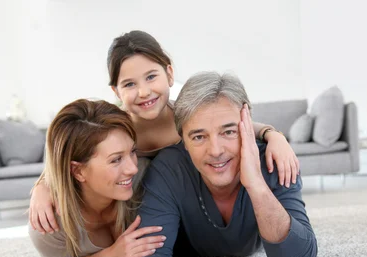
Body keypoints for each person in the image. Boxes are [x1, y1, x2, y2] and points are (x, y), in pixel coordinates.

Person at [29, 30, 300, 234]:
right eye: (129, 84)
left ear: (169, 74)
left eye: (151, 77)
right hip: (144, 209)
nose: (144, 92)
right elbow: (71, 151)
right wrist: (40, 187)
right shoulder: (116, 129)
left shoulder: (186, 114)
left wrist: (273, 135)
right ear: (116, 92)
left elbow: (233, 128)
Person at [125, 72, 318, 257]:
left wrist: (256, 185)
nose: (215, 150)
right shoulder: (169, 168)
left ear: (247, 127)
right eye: (198, 136)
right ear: (182, 140)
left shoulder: (274, 160)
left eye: (229, 132)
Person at [14, 99, 166, 257]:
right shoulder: (49, 225)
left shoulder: (146, 183)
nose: (132, 168)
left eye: (132, 152)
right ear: (77, 170)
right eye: (116, 159)